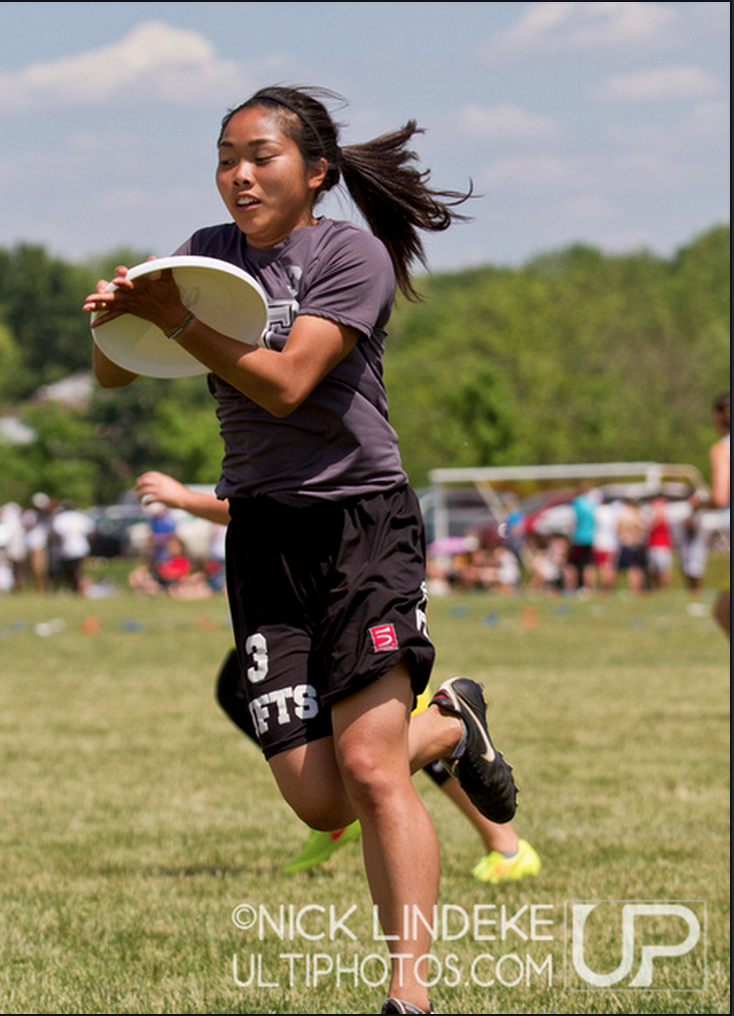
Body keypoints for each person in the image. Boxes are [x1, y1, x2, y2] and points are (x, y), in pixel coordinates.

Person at [85, 86, 518, 1016]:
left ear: (316, 171)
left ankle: (409, 993)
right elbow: (117, 370)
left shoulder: (348, 255)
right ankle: (451, 723)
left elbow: (286, 384)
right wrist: (118, 316)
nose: (238, 174)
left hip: (362, 527)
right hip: (263, 536)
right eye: (225, 158)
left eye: (261, 156)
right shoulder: (207, 255)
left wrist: (178, 320)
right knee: (321, 801)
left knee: (370, 771)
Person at [136, 470, 540, 883]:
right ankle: (344, 800)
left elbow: (288, 492)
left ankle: (502, 839)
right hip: (296, 580)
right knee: (243, 688)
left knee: (395, 723)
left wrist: (184, 499)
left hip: (341, 573)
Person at [707, 391, 730, 637]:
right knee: (724, 610)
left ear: (717, 416)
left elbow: (720, 497)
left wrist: (699, 502)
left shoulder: (722, 449)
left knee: (724, 612)